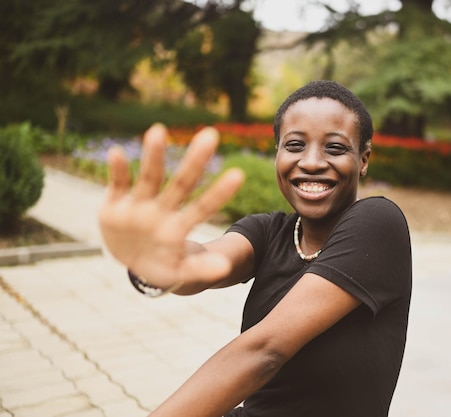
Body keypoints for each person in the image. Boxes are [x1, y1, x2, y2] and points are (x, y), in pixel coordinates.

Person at [99, 80, 412, 417]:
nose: (311, 162)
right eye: (294, 145)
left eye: (334, 148)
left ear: (363, 160)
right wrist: (152, 261)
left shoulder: (379, 224)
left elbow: (265, 350)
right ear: (277, 153)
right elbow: (206, 260)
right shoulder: (268, 230)